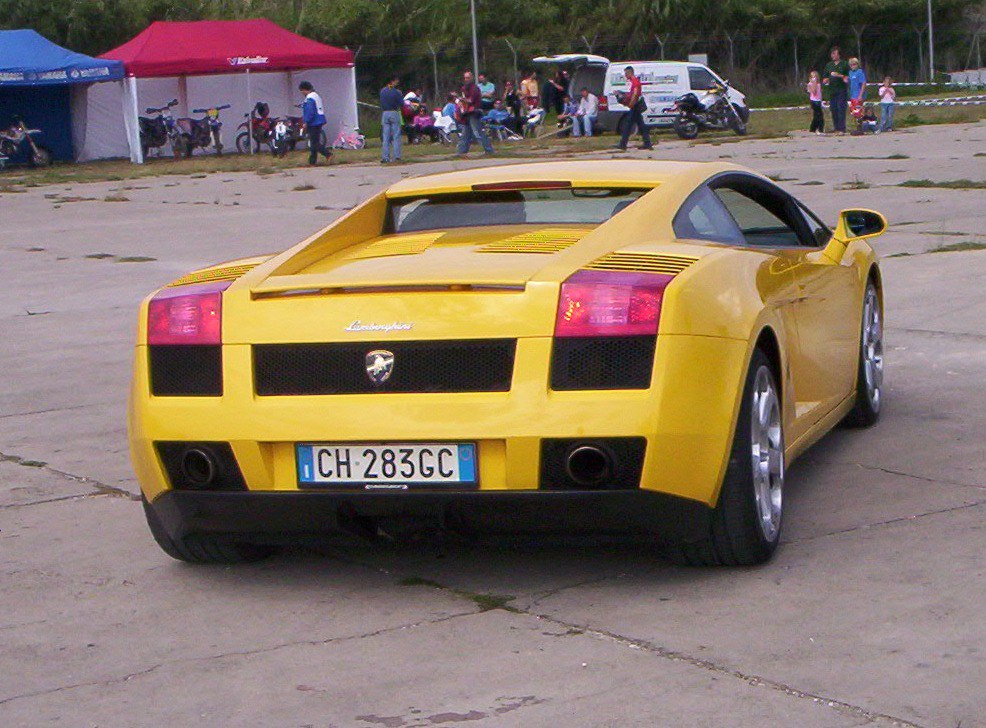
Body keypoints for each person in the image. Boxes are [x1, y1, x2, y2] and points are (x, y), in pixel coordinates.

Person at [455, 70, 494, 156]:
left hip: (474, 111)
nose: (466, 79)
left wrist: (460, 98)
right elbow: (464, 101)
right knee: (465, 133)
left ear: (472, 78)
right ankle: (461, 151)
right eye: (465, 78)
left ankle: (489, 150)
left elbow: (470, 101)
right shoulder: (464, 88)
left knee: (478, 132)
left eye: (468, 78)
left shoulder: (475, 88)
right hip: (467, 112)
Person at [616, 65, 653, 151]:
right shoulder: (634, 81)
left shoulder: (635, 81)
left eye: (626, 74)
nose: (625, 76)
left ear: (630, 73)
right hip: (635, 105)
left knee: (628, 125)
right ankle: (647, 143)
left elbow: (635, 94)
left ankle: (623, 144)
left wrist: (631, 104)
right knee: (640, 125)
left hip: (635, 105)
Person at [298, 81, 331, 165]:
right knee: (314, 142)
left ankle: (328, 154)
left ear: (304, 89)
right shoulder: (316, 95)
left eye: (301, 91)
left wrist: (306, 122)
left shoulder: (309, 98)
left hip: (314, 122)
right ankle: (312, 162)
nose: (302, 93)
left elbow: (310, 111)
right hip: (319, 119)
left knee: (314, 143)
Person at [822, 46, 850, 134]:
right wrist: (825, 80)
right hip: (832, 90)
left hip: (841, 89)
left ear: (839, 54)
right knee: (833, 108)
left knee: (841, 108)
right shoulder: (829, 65)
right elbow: (825, 77)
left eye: (835, 53)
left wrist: (839, 75)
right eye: (832, 53)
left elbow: (848, 77)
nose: (833, 55)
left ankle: (842, 128)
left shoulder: (845, 64)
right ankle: (836, 128)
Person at [379, 76, 403, 164]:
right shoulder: (397, 92)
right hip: (394, 112)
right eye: (396, 81)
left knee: (386, 137)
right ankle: (397, 156)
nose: (397, 82)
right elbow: (401, 103)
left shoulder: (382, 91)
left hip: (385, 113)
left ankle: (385, 157)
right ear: (392, 81)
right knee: (396, 135)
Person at [847, 57, 867, 124]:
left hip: (858, 95)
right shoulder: (850, 73)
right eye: (851, 65)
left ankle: (861, 126)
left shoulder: (860, 72)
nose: (853, 66)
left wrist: (860, 95)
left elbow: (863, 83)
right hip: (853, 95)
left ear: (857, 64)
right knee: (853, 112)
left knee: (859, 112)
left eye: (854, 64)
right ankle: (857, 125)